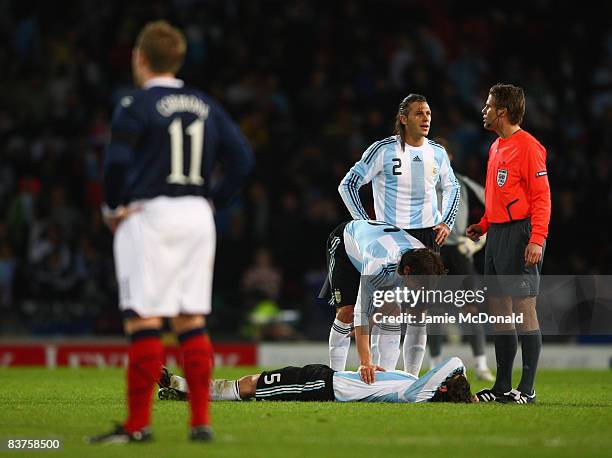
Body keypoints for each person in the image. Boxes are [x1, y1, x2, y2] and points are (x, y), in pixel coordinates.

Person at [88, 21, 254, 444]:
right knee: (191, 320)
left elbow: (116, 163)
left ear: (140, 58)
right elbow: (242, 160)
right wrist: (211, 200)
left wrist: (111, 207)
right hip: (197, 215)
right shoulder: (205, 103)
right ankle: (200, 423)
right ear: (177, 60)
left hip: (150, 214)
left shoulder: (136, 104)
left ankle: (137, 427)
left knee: (145, 321)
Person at [335, 94, 460, 374]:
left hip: (427, 237)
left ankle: (410, 379)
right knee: (385, 311)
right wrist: (366, 223)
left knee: (419, 313)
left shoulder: (437, 152)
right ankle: (380, 374)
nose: (426, 118)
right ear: (403, 119)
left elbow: (453, 187)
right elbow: (348, 184)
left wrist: (447, 223)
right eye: (418, 113)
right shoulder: (382, 150)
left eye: (428, 113)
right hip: (391, 239)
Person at [466, 83, 551, 404]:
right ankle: (502, 387)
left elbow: (542, 198)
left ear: (502, 111)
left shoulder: (529, 147)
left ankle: (526, 390)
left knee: (523, 308)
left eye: (488, 105)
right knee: (500, 310)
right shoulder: (496, 146)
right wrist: (485, 224)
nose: (484, 110)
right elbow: (501, 195)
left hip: (521, 234)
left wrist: (537, 239)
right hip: (497, 234)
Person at [320, 219, 446, 383]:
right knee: (347, 312)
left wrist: (371, 322)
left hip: (383, 248)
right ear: (407, 272)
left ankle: (387, 379)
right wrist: (365, 363)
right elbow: (361, 313)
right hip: (345, 246)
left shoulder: (424, 261)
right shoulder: (378, 265)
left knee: (393, 310)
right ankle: (335, 378)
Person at [428, 138, 494, 381]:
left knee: (471, 309)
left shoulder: (463, 183)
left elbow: (495, 208)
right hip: (433, 252)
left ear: (450, 158)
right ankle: (434, 364)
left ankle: (481, 365)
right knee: (433, 311)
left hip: (458, 250)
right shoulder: (420, 185)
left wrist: (476, 242)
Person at [157, 357, 476, 404]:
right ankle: (184, 389)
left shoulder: (417, 395)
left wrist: (467, 392)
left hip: (324, 386)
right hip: (327, 377)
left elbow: (453, 361)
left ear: (442, 386)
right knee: (257, 381)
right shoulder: (411, 384)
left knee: (255, 384)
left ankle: (185, 388)